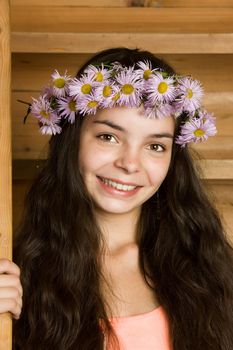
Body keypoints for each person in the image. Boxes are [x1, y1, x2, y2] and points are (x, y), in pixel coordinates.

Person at [0, 47, 233, 350]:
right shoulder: (18, 275)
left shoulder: (211, 269)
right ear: (72, 140)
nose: (130, 163)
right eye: (108, 137)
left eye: (155, 146)